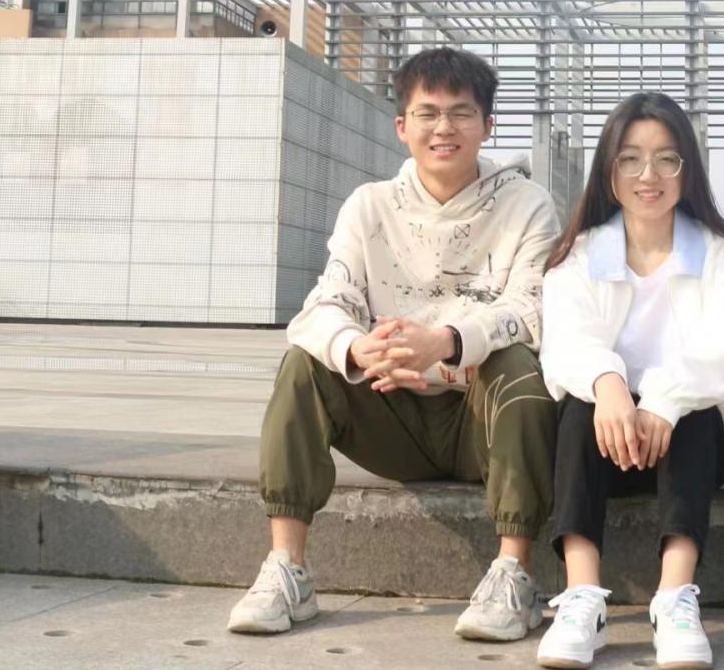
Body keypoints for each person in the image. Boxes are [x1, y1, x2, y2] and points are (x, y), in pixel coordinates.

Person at [228, 47, 562, 645]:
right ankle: (287, 569)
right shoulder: (370, 205)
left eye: (461, 113)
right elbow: (324, 305)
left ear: (488, 125)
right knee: (307, 361)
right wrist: (361, 351)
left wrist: (446, 343)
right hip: (392, 415)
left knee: (517, 363)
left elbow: (531, 310)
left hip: (481, 422)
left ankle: (514, 573)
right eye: (428, 113)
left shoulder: (528, 205)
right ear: (402, 126)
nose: (444, 128)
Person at [534, 92, 724, 670]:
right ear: (609, 171)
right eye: (631, 159)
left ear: (688, 169)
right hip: (605, 444)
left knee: (694, 410)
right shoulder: (578, 255)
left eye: (666, 159)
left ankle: (675, 598)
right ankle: (582, 598)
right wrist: (609, 384)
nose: (648, 175)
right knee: (580, 408)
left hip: (688, 446)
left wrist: (662, 402)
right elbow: (567, 344)